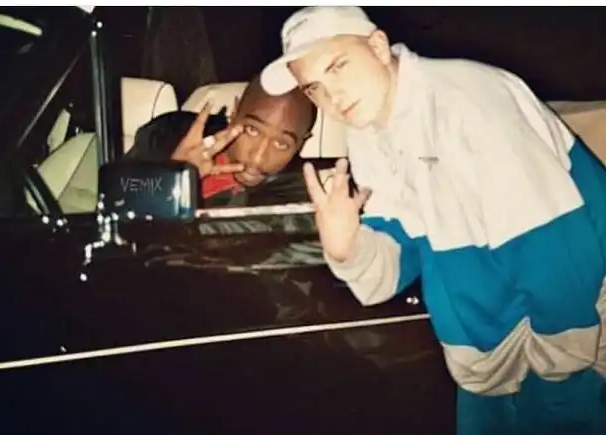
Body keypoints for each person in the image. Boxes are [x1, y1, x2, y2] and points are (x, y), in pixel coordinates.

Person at [260, 6, 606, 435]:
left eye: (338, 66)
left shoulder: (472, 103)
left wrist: (561, 376)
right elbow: (400, 247)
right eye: (315, 88)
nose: (333, 97)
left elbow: (554, 251)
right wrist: (347, 248)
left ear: (378, 46)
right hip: (485, 349)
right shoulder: (369, 131)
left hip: (573, 329)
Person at [125, 75, 319, 208]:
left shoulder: (297, 195)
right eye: (252, 130)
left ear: (301, 144)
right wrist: (174, 177)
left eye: (281, 144)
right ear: (234, 113)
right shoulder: (169, 133)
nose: (258, 158)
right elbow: (122, 192)